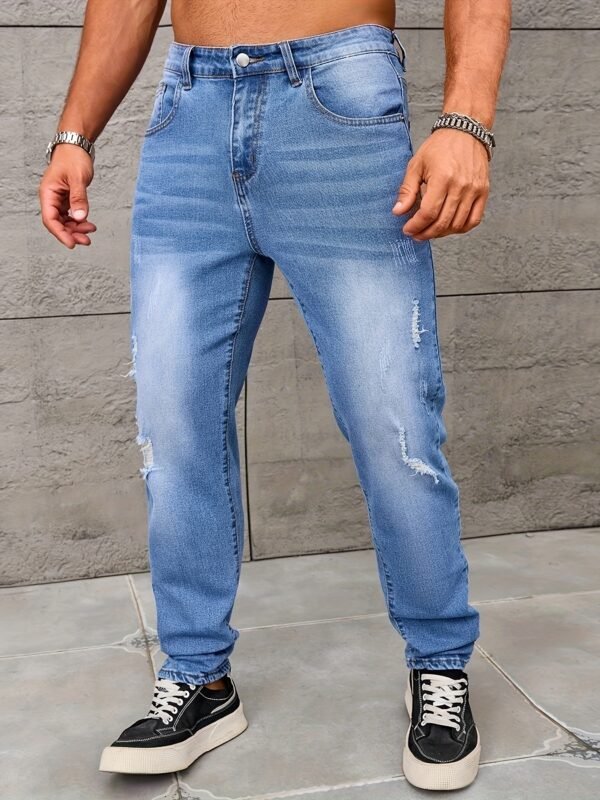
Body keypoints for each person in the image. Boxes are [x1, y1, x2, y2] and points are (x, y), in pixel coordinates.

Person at [39, 0, 511, 791]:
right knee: (174, 423)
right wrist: (74, 135)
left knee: (392, 421)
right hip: (190, 114)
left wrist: (467, 121)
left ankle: (439, 662)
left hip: (337, 106)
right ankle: (199, 678)